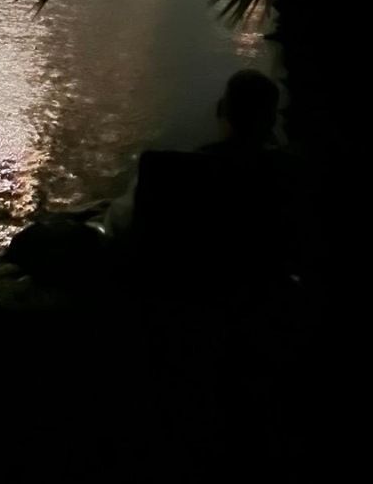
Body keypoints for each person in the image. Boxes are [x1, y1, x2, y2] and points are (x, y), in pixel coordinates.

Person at [115, 71, 308, 308]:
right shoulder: (291, 176)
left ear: (220, 110)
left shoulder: (171, 172)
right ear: (271, 120)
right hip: (261, 307)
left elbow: (123, 224)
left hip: (181, 301)